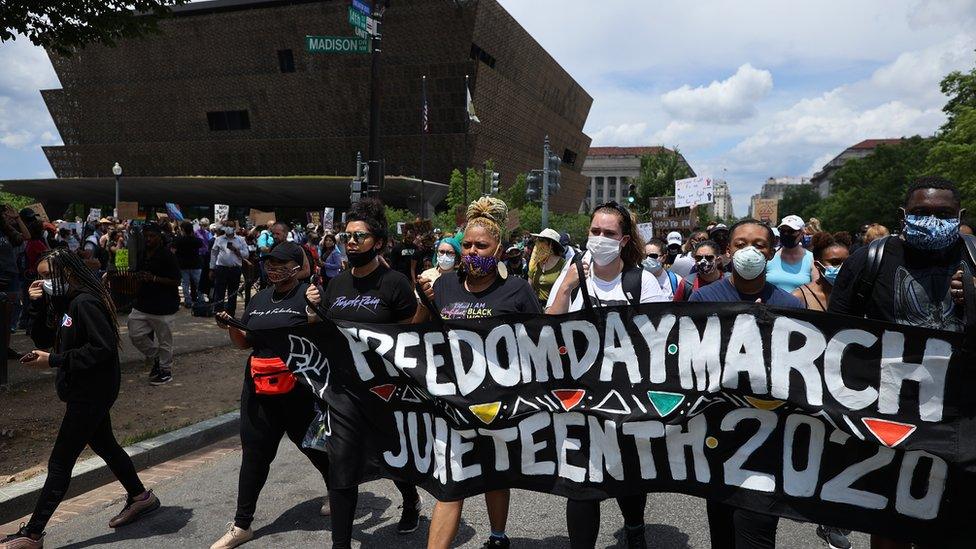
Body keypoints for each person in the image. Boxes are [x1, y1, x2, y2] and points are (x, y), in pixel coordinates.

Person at [829, 177, 973, 549]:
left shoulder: (975, 257)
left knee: (953, 522)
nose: (932, 220)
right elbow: (834, 333)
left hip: (962, 417)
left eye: (942, 214)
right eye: (921, 213)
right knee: (891, 519)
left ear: (960, 216)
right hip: (891, 417)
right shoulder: (871, 259)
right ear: (903, 216)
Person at [1, 250, 160, 549]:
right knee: (107, 446)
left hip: (92, 393)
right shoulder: (66, 302)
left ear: (69, 274)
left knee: (60, 463)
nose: (45, 282)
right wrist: (35, 306)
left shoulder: (85, 302)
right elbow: (43, 338)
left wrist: (54, 360)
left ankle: (32, 534)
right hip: (83, 390)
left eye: (49, 276)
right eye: (41, 277)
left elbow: (102, 350)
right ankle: (141, 498)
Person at [418, 198, 540, 549]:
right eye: (467, 245)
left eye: (481, 246)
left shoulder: (517, 290)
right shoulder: (443, 287)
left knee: (495, 474)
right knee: (451, 483)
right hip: (452, 403)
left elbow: (539, 343)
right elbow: (416, 336)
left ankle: (498, 536)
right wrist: (420, 302)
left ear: (498, 249)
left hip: (499, 403)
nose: (472, 251)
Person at [548, 201, 669, 549]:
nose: (599, 239)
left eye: (609, 233)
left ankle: (634, 527)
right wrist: (568, 287)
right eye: (595, 231)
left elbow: (663, 336)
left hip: (628, 397)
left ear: (624, 239)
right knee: (582, 483)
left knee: (628, 474)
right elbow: (547, 331)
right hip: (581, 398)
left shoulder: (641, 281)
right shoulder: (572, 275)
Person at [304, 199, 422, 549]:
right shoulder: (337, 284)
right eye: (346, 235)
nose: (350, 242)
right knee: (341, 465)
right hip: (342, 392)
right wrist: (312, 312)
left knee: (393, 457)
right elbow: (321, 332)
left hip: (385, 390)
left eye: (359, 236)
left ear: (380, 243)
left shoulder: (395, 283)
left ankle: (410, 498)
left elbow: (408, 338)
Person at [208, 242, 330, 549]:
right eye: (269, 264)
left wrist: (315, 313)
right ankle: (242, 525)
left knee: (315, 448)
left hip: (298, 389)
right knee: (254, 455)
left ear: (295, 266)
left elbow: (322, 339)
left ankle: (339, 490)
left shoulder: (309, 294)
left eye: (280, 264)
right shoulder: (260, 298)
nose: (273, 269)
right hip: (258, 387)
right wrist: (229, 327)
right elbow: (244, 342)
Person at [690, 219, 802, 549]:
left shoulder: (791, 306)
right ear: (728, 251)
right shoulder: (701, 301)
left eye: (759, 244)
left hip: (769, 438)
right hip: (717, 432)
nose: (749, 250)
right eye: (740, 244)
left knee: (756, 532)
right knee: (722, 530)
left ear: (771, 253)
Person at [127, 223, 180, 386]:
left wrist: (154, 278)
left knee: (165, 340)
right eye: (147, 236)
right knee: (135, 333)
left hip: (164, 306)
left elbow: (176, 280)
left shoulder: (167, 256)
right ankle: (156, 356)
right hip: (143, 303)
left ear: (159, 237)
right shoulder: (141, 254)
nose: (149, 239)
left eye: (152, 236)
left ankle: (165, 370)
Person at [792, 232, 851, 311]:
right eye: (835, 263)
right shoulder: (799, 297)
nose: (842, 267)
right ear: (817, 265)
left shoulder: (854, 296)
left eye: (847, 262)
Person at [765, 215, 819, 293]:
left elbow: (816, 290)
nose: (786, 234)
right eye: (783, 231)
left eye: (791, 231)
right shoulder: (770, 256)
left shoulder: (812, 259)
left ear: (802, 233)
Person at [210, 221, 249, 317]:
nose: (228, 228)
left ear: (234, 228)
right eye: (226, 226)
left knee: (233, 292)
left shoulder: (240, 240)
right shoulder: (219, 239)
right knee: (219, 291)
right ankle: (218, 312)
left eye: (230, 226)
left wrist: (237, 250)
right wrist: (211, 268)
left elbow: (246, 254)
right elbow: (214, 254)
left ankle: (231, 313)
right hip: (221, 268)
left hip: (235, 269)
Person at [528, 228, 567, 308]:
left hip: (555, 309)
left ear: (551, 245)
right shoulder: (535, 262)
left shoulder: (563, 264)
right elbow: (529, 288)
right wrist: (531, 271)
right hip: (538, 309)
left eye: (542, 240)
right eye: (538, 240)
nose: (538, 243)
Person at [173, 221, 204, 308]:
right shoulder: (197, 240)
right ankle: (201, 299)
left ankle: (188, 301)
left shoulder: (178, 240)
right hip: (196, 265)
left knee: (185, 284)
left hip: (183, 265)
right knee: (198, 284)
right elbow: (201, 245)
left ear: (182, 230)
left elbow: (173, 251)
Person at [390, 224, 418, 289]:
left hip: (412, 279)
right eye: (409, 237)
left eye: (412, 238)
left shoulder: (416, 248)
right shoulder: (397, 248)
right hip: (400, 278)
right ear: (404, 235)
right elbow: (393, 265)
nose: (410, 239)